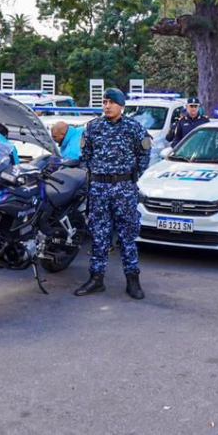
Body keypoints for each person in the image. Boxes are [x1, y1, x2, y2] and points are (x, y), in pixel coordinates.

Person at [75, 88, 151, 299]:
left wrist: (128, 177)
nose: (107, 106)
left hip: (124, 188)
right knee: (98, 235)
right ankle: (96, 279)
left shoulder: (134, 128)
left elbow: (144, 155)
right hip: (99, 188)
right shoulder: (92, 127)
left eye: (111, 102)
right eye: (104, 102)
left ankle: (132, 281)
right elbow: (86, 155)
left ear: (121, 105)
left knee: (127, 235)